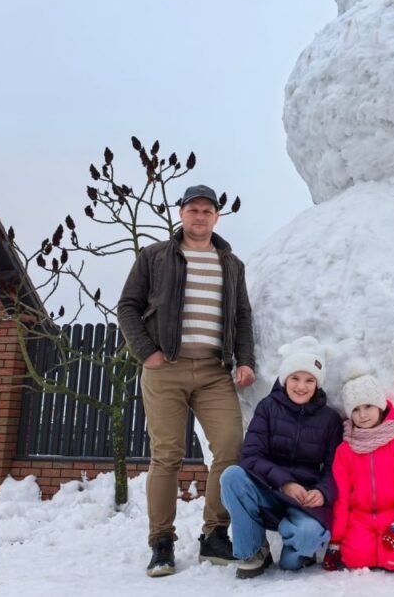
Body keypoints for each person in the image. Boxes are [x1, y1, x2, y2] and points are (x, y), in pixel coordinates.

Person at [118, 184, 257, 578]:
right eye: (193, 210)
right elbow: (127, 306)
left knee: (230, 448)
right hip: (166, 369)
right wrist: (147, 352)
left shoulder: (231, 264)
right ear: (181, 214)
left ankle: (215, 533)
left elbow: (242, 316)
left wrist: (244, 359)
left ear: (216, 217)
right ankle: (161, 541)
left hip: (215, 371)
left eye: (207, 211)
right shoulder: (155, 257)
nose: (200, 216)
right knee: (168, 454)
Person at [220, 336, 344, 579]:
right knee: (232, 476)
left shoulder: (329, 420)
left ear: (318, 384)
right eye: (295, 378)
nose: (302, 386)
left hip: (305, 500)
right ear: (285, 378)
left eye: (310, 380)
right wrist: (285, 483)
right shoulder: (268, 407)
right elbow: (251, 456)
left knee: (299, 550)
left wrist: (323, 492)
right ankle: (254, 551)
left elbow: (336, 467)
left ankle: (296, 545)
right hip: (269, 491)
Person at [323, 367, 394, 572]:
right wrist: (336, 541)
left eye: (368, 406)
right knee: (355, 559)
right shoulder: (345, 451)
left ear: (380, 407)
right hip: (358, 519)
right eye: (356, 409)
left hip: (392, 515)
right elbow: (341, 497)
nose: (362, 415)